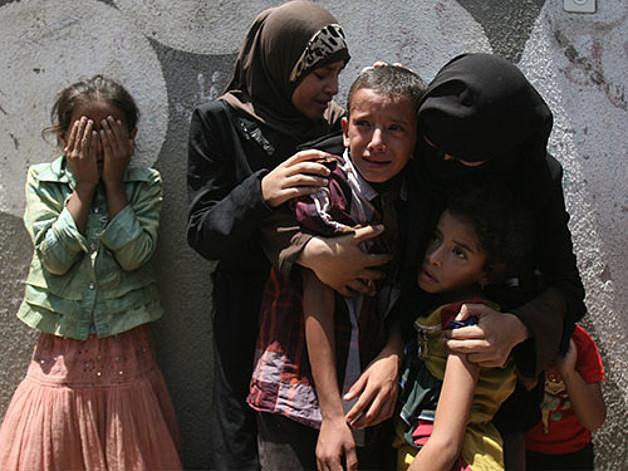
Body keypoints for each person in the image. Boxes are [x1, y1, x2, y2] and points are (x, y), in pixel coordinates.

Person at [186, 2, 355, 468]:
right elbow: (203, 233)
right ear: (284, 65)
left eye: (339, 72)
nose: (332, 87)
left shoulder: (338, 126)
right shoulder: (219, 121)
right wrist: (260, 191)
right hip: (248, 307)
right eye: (320, 73)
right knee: (242, 437)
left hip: (322, 310)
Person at [403, 53, 586, 469]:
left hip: (493, 391)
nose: (444, 162)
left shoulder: (535, 181)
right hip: (399, 377)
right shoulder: (417, 155)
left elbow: (568, 288)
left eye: (464, 155)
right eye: (434, 147)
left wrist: (516, 327)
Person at [248, 65, 425, 471]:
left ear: (417, 141)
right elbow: (318, 294)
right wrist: (330, 415)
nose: (377, 142)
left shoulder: (409, 200)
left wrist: (393, 351)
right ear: (345, 129)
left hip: (364, 385)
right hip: (298, 388)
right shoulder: (325, 186)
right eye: (364, 125)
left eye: (397, 129)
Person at [0, 75, 181, 470]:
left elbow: (136, 255)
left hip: (125, 348)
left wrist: (114, 184)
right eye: (86, 134)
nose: (98, 146)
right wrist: (83, 187)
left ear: (130, 137)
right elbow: (54, 257)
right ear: (64, 137)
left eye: (110, 134)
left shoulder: (143, 185)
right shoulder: (43, 181)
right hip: (62, 351)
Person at [396, 189, 533, 471]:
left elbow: (445, 444)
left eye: (459, 252)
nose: (434, 257)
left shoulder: (469, 323)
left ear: (488, 273)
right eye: (436, 237)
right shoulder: (433, 312)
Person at [524, 325, 606, 470]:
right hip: (522, 449)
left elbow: (594, 421)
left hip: (573, 454)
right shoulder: (515, 335)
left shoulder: (578, 342)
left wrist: (568, 372)